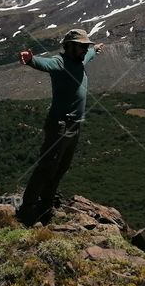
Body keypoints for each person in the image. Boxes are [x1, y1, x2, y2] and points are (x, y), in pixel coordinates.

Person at [16, 28, 103, 226]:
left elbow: (90, 54)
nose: (84, 49)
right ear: (69, 46)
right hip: (60, 125)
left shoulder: (81, 58)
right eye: (81, 46)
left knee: (60, 167)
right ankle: (26, 210)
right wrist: (30, 59)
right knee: (46, 167)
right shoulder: (60, 63)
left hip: (74, 125)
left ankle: (45, 207)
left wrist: (95, 49)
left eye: (85, 46)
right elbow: (44, 63)